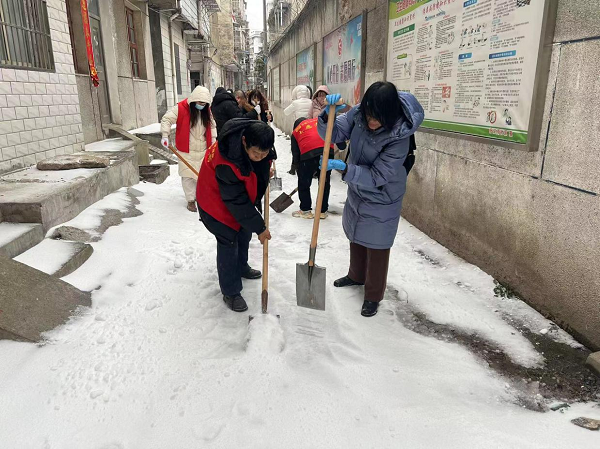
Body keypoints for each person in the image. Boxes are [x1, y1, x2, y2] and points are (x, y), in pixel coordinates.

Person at [317, 82, 424, 317]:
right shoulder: (358, 115)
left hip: (383, 193)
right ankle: (356, 276)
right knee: (356, 232)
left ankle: (374, 295)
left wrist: (346, 169)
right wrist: (327, 114)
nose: (371, 122)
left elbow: (378, 176)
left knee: (377, 244)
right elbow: (332, 134)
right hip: (358, 187)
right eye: (368, 115)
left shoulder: (399, 136)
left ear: (389, 114)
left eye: (377, 118)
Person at [196, 119, 276, 312]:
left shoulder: (254, 141)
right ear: (244, 142)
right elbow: (237, 201)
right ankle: (230, 292)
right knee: (229, 240)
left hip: (233, 197)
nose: (260, 157)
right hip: (214, 203)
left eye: (264, 153)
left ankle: (241, 266)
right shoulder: (227, 162)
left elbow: (257, 165)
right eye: (256, 154)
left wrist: (264, 168)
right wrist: (260, 227)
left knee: (243, 232)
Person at [161, 86, 216, 212]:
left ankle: (200, 197)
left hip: (203, 149)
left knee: (202, 175)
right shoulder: (181, 108)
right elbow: (166, 119)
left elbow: (212, 127)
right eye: (199, 103)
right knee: (187, 176)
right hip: (186, 149)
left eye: (204, 103)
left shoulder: (207, 112)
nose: (201, 106)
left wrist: (213, 143)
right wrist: (165, 134)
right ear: (193, 100)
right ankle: (191, 200)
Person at [290, 117, 333, 220]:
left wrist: (299, 169)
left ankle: (305, 210)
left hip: (308, 154)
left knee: (304, 183)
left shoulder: (296, 131)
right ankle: (322, 211)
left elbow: (296, 154)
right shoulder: (318, 122)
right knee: (324, 182)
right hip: (327, 151)